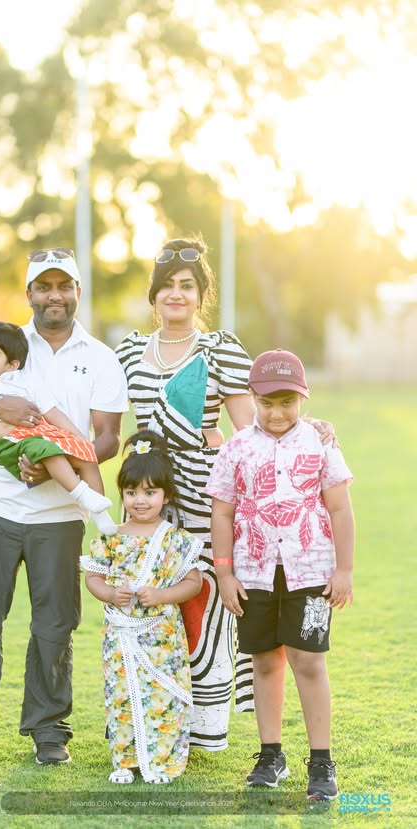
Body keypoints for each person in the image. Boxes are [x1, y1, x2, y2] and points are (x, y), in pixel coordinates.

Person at [115, 236, 335, 752]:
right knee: (146, 603)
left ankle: (205, 725)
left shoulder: (220, 350)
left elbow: (253, 431)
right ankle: (149, 719)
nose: (176, 294)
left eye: (187, 286)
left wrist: (311, 429)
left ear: (201, 294)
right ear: (153, 294)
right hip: (146, 499)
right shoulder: (128, 351)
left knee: (206, 603)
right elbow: (107, 423)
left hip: (203, 494)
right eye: (167, 285)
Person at [0, 248, 129, 769]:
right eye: (43, 287)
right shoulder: (0, 342)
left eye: (62, 286)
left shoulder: (102, 357)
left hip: (61, 514)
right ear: (29, 295)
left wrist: (53, 461)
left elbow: (109, 436)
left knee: (55, 626)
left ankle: (49, 730)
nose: (54, 296)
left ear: (77, 292)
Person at [206, 348, 354, 801]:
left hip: (311, 573)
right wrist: (225, 574)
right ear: (252, 398)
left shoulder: (320, 442)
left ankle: (322, 762)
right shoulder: (236, 449)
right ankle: (271, 754)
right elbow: (222, 514)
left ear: (304, 398)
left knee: (308, 661)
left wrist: (344, 569)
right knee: (265, 661)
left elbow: (340, 508)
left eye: (287, 402)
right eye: (266, 403)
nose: (276, 413)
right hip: (253, 575)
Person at [82, 430, 206, 784]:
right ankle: (125, 759)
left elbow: (193, 581)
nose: (140, 500)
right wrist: (109, 594)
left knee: (162, 697)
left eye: (150, 493)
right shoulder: (111, 537)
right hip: (120, 638)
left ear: (165, 495)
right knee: (121, 695)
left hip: (162, 637)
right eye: (132, 492)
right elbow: (92, 578)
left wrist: (163, 596)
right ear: (121, 493)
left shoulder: (175, 540)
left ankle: (164, 761)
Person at [0, 321, 117, 534]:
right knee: (48, 451)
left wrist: (79, 438)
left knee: (85, 454)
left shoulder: (27, 381)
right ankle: (81, 493)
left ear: (12, 365)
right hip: (11, 444)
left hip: (38, 434)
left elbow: (52, 413)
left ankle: (101, 515)